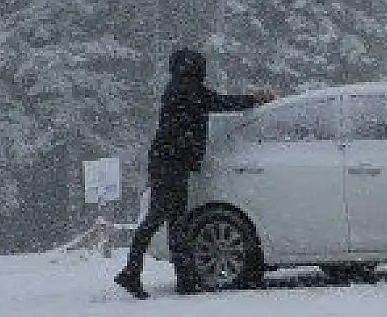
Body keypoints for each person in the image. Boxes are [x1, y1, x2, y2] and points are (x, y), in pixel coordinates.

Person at [115, 49, 274, 298]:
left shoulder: (178, 87)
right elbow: (219, 103)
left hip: (167, 162)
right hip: (171, 163)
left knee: (173, 221)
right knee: (160, 218)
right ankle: (134, 273)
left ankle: (179, 278)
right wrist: (254, 99)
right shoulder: (187, 89)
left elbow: (210, 104)